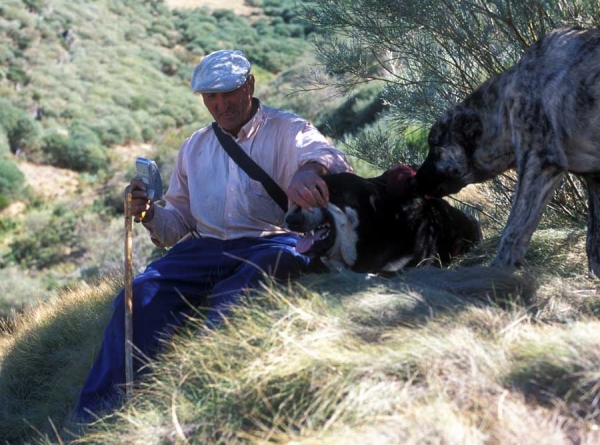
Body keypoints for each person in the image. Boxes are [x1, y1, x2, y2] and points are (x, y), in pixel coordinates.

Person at [76, 49, 351, 419]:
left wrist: (309, 171)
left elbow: (327, 155)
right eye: (211, 96)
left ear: (249, 85)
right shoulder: (194, 147)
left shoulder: (289, 129)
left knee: (239, 291)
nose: (221, 104)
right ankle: (97, 415)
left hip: (272, 240)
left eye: (229, 92)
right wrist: (149, 214)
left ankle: (202, 401)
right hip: (204, 248)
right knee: (137, 297)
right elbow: (178, 224)